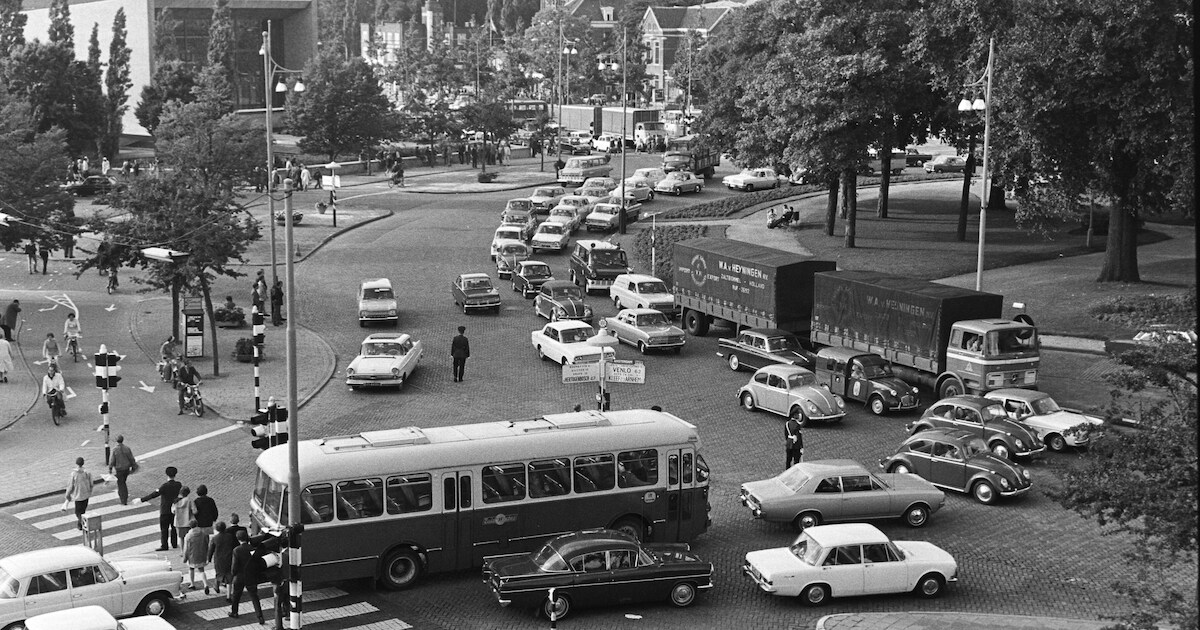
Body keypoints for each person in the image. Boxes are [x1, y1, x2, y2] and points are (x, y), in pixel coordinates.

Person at [136, 466, 182, 551]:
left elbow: (154, 495)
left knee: (164, 529)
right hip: (175, 509)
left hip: (165, 509)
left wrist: (142, 500)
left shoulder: (164, 486)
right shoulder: (178, 485)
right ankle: (174, 543)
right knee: (174, 527)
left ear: (166, 474)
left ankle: (164, 545)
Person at [229, 530, 265, 622]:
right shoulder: (253, 549)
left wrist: (233, 574)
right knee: (254, 597)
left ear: (238, 539)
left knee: (236, 596)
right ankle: (260, 616)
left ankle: (234, 612)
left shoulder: (236, 550)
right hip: (251, 576)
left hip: (239, 577)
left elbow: (234, 566)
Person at [63, 457, 93, 530]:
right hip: (86, 495)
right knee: (83, 511)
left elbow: (70, 485)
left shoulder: (74, 474)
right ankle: (80, 525)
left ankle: (84, 524)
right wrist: (89, 490)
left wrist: (67, 494)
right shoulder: (87, 472)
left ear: (76, 463)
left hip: (78, 496)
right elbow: (91, 483)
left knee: (78, 512)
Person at [182, 520, 211, 593]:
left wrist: (185, 558)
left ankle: (192, 583)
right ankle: (205, 584)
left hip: (192, 555)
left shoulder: (188, 536)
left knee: (191, 568)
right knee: (202, 570)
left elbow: (186, 548)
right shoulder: (203, 533)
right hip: (201, 553)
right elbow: (207, 542)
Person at [109, 435, 137, 505]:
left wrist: (110, 468)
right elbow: (131, 458)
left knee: (121, 484)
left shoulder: (115, 450)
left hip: (119, 469)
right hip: (126, 469)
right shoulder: (127, 448)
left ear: (116, 441)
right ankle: (123, 496)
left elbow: (112, 460)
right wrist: (134, 466)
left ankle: (123, 498)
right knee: (123, 482)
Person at [209, 521, 235, 595]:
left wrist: (209, 558)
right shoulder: (230, 536)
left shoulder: (215, 538)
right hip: (229, 558)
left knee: (219, 573)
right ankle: (228, 595)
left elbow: (211, 549)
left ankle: (216, 586)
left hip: (219, 559)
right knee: (229, 575)